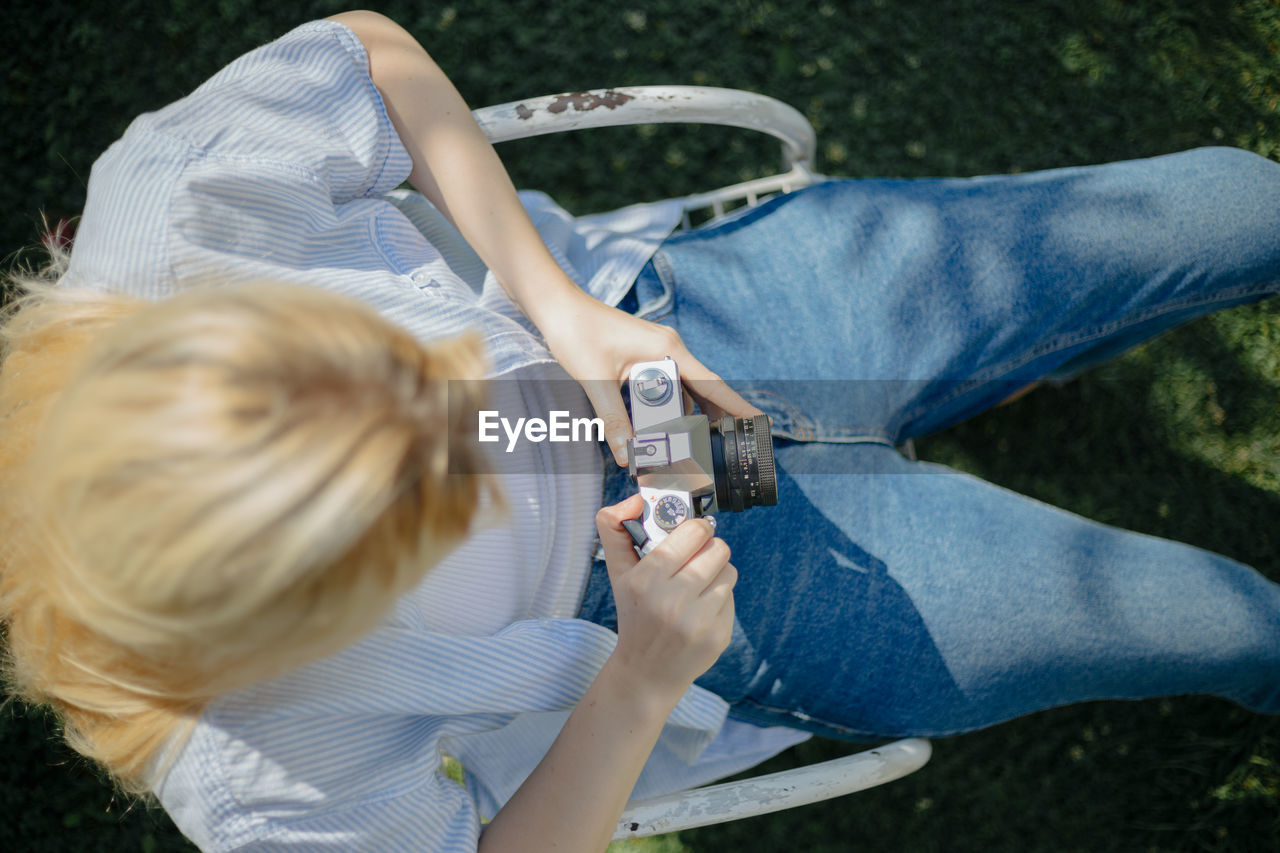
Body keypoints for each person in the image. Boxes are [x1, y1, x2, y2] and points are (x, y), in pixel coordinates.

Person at [2, 10, 1278, 852]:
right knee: (1230, 622)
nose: (492, 440)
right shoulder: (249, 767)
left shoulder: (170, 227)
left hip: (665, 321)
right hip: (713, 607)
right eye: (427, 510)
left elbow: (373, 55)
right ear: (293, 626)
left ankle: (1013, 370)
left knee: (1239, 201)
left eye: (414, 373)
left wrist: (558, 315)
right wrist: (645, 678)